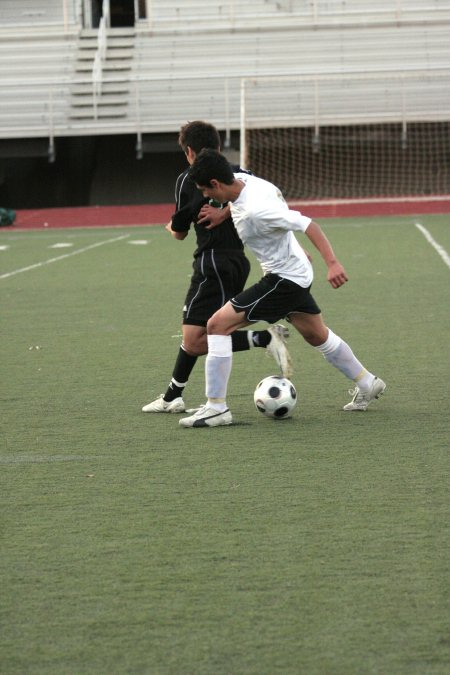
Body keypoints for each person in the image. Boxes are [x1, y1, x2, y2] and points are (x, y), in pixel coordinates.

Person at [179, 149, 386, 428]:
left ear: (216, 183)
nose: (205, 196)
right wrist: (222, 215)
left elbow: (308, 224)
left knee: (217, 325)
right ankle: (367, 382)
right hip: (296, 271)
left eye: (206, 190)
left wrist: (333, 263)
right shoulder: (243, 181)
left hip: (283, 279)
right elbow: (249, 205)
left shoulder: (257, 210)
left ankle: (217, 408)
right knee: (316, 335)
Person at [142, 121, 291, 414]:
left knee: (196, 339)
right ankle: (173, 396)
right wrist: (226, 212)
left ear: (189, 152)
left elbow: (180, 232)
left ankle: (263, 338)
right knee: (198, 330)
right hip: (236, 260)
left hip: (213, 261)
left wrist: (171, 226)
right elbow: (262, 198)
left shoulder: (187, 179)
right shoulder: (240, 175)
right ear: (220, 147)